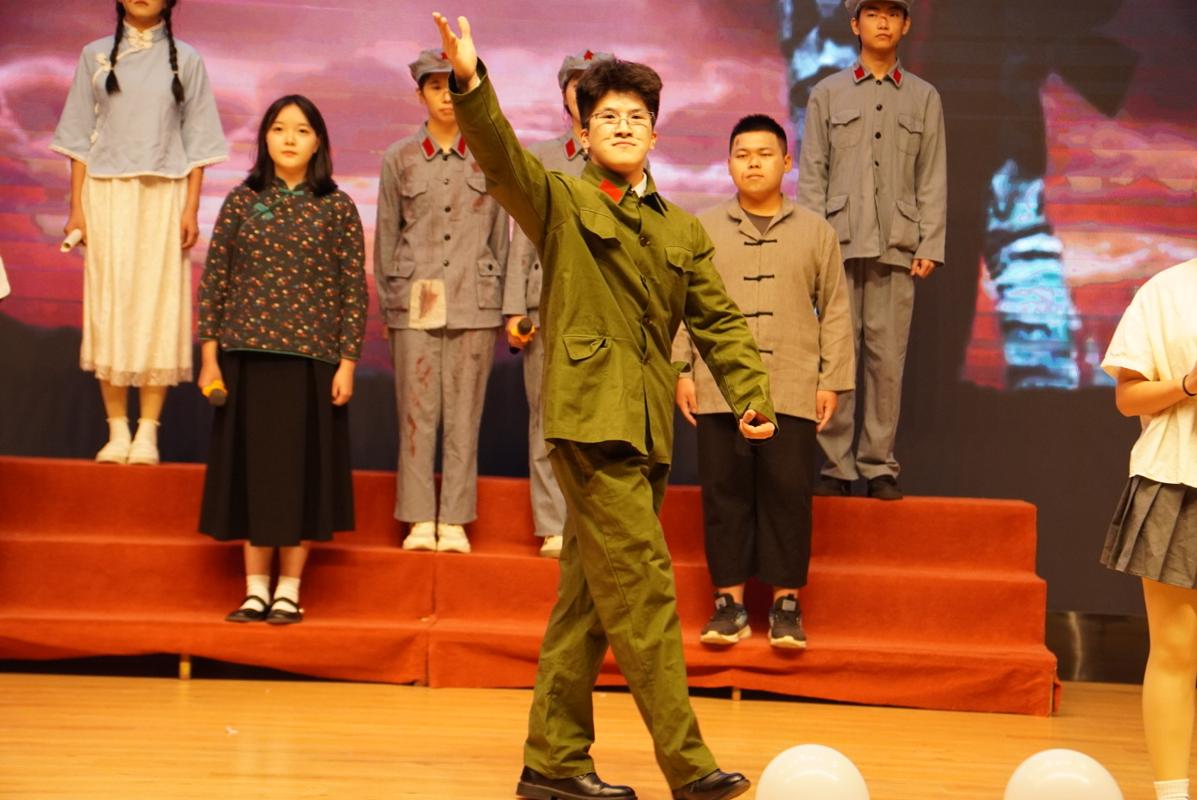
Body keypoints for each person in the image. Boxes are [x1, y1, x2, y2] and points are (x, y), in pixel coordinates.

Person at [435, 13, 774, 800]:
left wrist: (750, 393)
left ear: (654, 134)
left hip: (648, 429)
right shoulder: (559, 200)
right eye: (607, 117)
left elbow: (719, 321)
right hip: (591, 423)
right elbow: (499, 155)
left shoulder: (681, 229)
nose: (622, 126)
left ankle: (552, 762)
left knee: (586, 604)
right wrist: (471, 83)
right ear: (581, 135)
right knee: (646, 590)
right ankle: (687, 767)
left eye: (636, 117)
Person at [674, 114, 853, 650]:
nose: (753, 163)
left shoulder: (816, 232)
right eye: (742, 154)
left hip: (792, 386)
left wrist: (831, 380)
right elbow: (682, 305)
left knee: (788, 495)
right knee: (724, 494)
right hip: (719, 386)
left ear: (786, 162)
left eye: (764, 153)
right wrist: (682, 370)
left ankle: (786, 605)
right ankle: (728, 604)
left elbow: (836, 310)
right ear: (729, 163)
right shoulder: (702, 229)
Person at [196, 95, 367, 626]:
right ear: (264, 138)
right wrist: (209, 356)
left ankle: (288, 590)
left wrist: (347, 361)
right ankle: (254, 590)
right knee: (254, 474)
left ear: (318, 142)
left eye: (301, 130)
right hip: (245, 357)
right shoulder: (242, 201)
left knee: (299, 478)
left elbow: (352, 291)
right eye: (278, 128)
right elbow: (215, 281)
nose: (289, 138)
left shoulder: (337, 206)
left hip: (312, 361)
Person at [51, 0, 227, 465]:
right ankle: (116, 428)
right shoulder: (93, 55)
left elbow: (198, 145)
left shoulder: (187, 59)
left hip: (165, 195)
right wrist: (77, 209)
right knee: (110, 303)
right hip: (106, 194)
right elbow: (78, 140)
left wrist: (191, 208)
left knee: (158, 305)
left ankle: (148, 430)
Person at [796, 0, 946, 500]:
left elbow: (931, 174)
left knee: (887, 360)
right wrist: (811, 247)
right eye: (873, 12)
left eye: (893, 13)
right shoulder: (827, 93)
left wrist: (930, 241)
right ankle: (836, 465)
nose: (883, 22)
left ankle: (879, 464)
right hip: (837, 244)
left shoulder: (924, 97)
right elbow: (812, 173)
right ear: (855, 23)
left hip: (898, 244)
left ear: (906, 24)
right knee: (837, 355)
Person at [374, 48, 511, 555]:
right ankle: (417, 518)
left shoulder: (490, 155)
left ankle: (453, 519)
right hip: (416, 298)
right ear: (420, 95)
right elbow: (387, 238)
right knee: (416, 411)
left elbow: (501, 237)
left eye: (454, 85)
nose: (446, 96)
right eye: (435, 86)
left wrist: (502, 303)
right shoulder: (399, 158)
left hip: (475, 298)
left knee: (464, 415)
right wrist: (390, 307)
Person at [504, 49, 613, 559]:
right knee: (546, 417)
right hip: (545, 303)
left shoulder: (623, 150)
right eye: (576, 82)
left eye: (595, 81)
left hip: (606, 308)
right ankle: (552, 524)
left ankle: (591, 524)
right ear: (564, 94)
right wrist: (514, 307)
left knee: (601, 418)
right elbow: (521, 235)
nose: (583, 90)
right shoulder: (541, 157)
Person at [1100, 258, 1197, 800]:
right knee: (1175, 651)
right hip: (1176, 478)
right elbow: (1127, 396)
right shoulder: (1168, 289)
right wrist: (1187, 384)